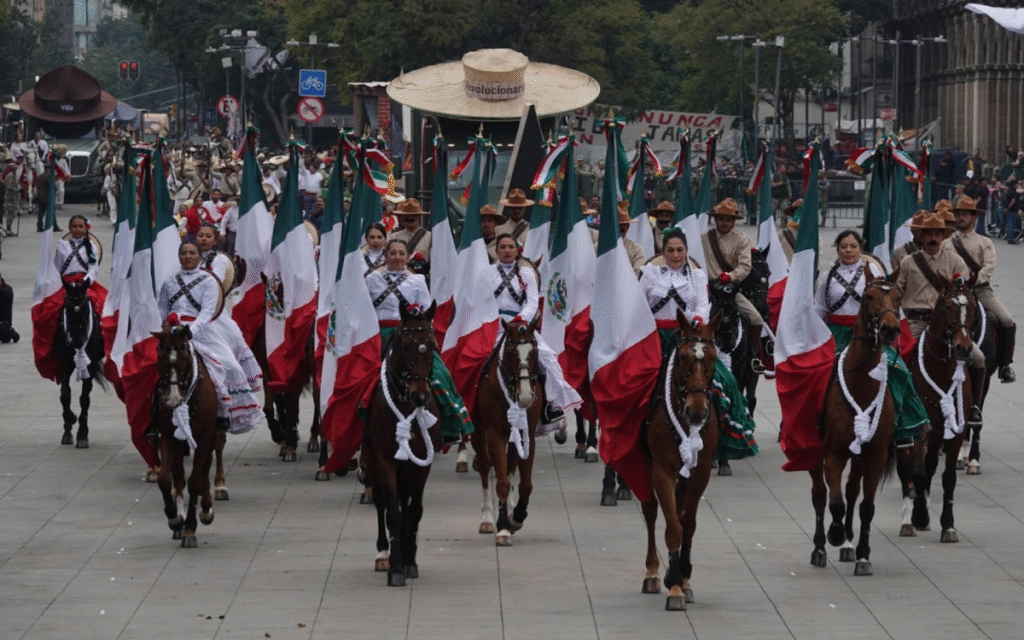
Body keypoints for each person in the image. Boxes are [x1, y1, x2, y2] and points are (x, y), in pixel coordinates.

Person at [639, 228, 757, 461]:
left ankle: (723, 435)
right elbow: (639, 305)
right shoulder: (650, 273)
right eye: (670, 250)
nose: (675, 255)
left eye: (680, 250)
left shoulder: (697, 275)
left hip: (688, 337)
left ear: (686, 251)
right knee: (634, 382)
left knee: (727, 380)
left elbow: (703, 305)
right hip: (655, 337)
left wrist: (699, 319)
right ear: (662, 252)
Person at [814, 230, 929, 445]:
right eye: (844, 246)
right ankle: (818, 422)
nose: (848, 250)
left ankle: (903, 425)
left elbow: (887, 300)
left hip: (866, 335)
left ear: (860, 249)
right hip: (835, 333)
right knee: (820, 374)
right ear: (838, 249)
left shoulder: (873, 270)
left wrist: (894, 325)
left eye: (853, 246)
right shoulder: (827, 276)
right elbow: (819, 308)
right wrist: (819, 337)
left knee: (899, 371)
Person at [365, 239, 472, 445]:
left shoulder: (417, 280)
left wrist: (416, 329)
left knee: (439, 372)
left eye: (401, 253)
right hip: (380, 333)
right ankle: (361, 425)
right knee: (363, 374)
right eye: (393, 253)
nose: (397, 257)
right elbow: (364, 308)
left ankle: (450, 425)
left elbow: (425, 309)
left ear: (408, 257)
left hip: (410, 334)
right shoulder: (372, 279)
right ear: (385, 256)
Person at [156, 240, 263, 435]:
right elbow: (162, 308)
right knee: (152, 369)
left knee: (230, 365)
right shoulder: (169, 281)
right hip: (173, 331)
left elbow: (207, 312)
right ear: (179, 256)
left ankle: (223, 412)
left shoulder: (208, 281)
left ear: (199, 257)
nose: (188, 257)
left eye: (192, 253)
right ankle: (154, 417)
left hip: (202, 330)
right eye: (184, 253)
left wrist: (191, 332)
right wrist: (166, 326)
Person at [895, 212, 984, 426]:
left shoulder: (955, 261)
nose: (933, 238)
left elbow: (963, 292)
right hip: (916, 322)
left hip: (948, 324)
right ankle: (897, 404)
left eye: (937, 233)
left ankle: (973, 406)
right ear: (921, 237)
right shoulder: (908, 261)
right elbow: (897, 291)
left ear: (943, 236)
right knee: (899, 357)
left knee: (979, 358)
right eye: (928, 234)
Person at [490, 233, 581, 432]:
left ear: (517, 250)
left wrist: (519, 320)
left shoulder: (527, 273)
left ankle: (551, 406)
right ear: (496, 251)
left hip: (519, 326)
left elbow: (531, 302)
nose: (507, 251)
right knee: (474, 362)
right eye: (503, 247)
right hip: (492, 326)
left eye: (510, 247)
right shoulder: (487, 273)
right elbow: (481, 300)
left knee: (548, 359)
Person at [943, 196, 1015, 382]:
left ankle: (1005, 364)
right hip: (954, 292)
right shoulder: (947, 243)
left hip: (980, 291)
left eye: (965, 214)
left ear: (974, 217)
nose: (961, 218)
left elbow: (989, 266)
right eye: (958, 214)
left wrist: (970, 282)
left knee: (1007, 320)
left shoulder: (985, 242)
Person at [701, 197, 764, 370]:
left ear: (734, 221)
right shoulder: (704, 238)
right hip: (707, 290)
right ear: (715, 219)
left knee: (756, 318)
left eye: (728, 219)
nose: (724, 223)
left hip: (729, 290)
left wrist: (730, 276)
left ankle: (752, 358)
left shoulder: (742, 240)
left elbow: (745, 266)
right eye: (721, 218)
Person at [54, 215, 106, 313]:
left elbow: (93, 269)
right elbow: (57, 269)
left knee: (101, 304)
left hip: (84, 282)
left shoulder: (92, 247)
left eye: (81, 226)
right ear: (70, 228)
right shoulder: (61, 246)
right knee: (53, 306)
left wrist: (86, 281)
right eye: (74, 226)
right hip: (66, 283)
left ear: (86, 228)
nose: (77, 229)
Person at [388, 198, 431, 274]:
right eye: (406, 215)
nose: (409, 218)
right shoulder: (394, 237)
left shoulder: (429, 237)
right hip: (398, 277)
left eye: (413, 215)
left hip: (420, 276)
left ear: (419, 216)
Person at [614, 201, 646, 276]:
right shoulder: (597, 248)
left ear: (627, 226)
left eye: (622, 225)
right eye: (616, 225)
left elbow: (639, 273)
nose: (619, 227)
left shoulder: (636, 250)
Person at [0, 272, 18, 343]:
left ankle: (10, 333)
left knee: (4, 334)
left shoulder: (7, 289)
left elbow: (5, 294)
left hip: (3, 323)